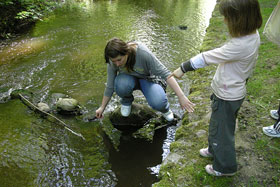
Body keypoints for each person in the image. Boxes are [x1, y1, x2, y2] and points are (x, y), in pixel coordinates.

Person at [169, 0, 262, 176]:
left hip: (227, 95)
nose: (225, 21)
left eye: (227, 18)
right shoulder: (252, 35)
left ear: (239, 20)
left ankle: (225, 167)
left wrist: (183, 68)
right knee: (217, 125)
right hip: (230, 91)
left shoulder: (239, 46)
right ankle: (214, 149)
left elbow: (207, 57)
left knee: (223, 132)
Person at [95, 38, 195, 121]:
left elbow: (167, 75)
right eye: (114, 61)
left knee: (158, 102)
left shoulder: (142, 53)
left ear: (126, 53)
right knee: (121, 84)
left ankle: (165, 110)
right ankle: (126, 101)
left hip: (148, 79)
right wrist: (102, 107)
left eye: (119, 60)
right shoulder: (112, 61)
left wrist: (181, 96)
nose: (117, 64)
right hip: (128, 80)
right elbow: (110, 85)